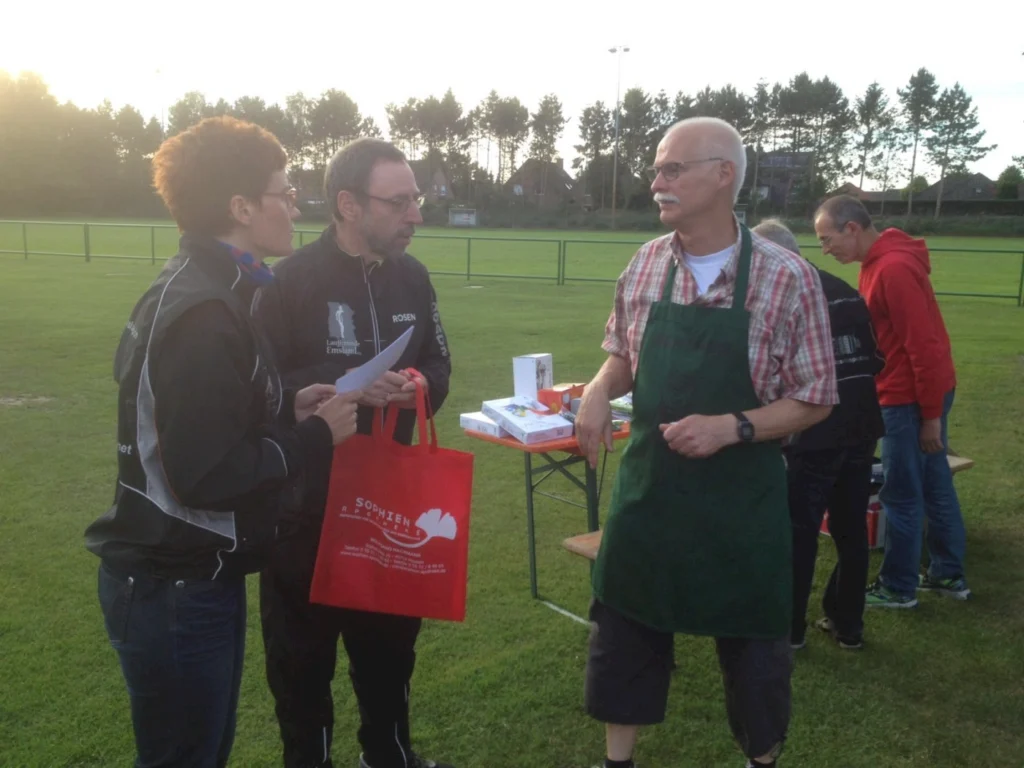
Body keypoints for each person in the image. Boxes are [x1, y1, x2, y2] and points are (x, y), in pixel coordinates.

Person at [84, 116, 361, 768]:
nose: (296, 205)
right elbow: (203, 475)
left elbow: (207, 419)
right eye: (285, 192)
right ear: (241, 207)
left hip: (193, 578)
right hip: (173, 587)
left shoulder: (219, 290)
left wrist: (289, 405)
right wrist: (312, 437)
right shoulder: (204, 312)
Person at [574, 117, 838, 768]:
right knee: (624, 636)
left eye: (672, 170)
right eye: (656, 170)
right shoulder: (643, 265)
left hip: (739, 508)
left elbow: (817, 396)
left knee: (754, 653)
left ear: (724, 175)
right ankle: (618, 762)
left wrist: (733, 427)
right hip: (648, 498)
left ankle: (761, 757)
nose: (656, 182)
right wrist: (597, 391)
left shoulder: (784, 277)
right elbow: (620, 357)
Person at [251, 137, 453, 768]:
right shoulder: (287, 282)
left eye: (414, 199)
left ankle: (388, 756)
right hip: (305, 511)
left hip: (390, 510)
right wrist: (319, 395)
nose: (414, 214)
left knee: (391, 654)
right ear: (347, 205)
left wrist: (415, 385)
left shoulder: (414, 278)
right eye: (399, 202)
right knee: (301, 665)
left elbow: (438, 365)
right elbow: (258, 388)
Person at [813, 195, 970, 608]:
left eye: (828, 240)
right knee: (935, 481)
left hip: (909, 398)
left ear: (852, 228)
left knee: (900, 493)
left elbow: (925, 347)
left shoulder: (894, 268)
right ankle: (947, 574)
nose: (826, 251)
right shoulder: (876, 263)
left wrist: (931, 417)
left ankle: (898, 586)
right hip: (913, 392)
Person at [752, 218, 884, 650]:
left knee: (800, 530)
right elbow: (873, 359)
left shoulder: (789, 295)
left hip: (816, 426)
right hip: (862, 423)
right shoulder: (845, 290)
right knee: (849, 530)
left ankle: (789, 632)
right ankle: (849, 626)